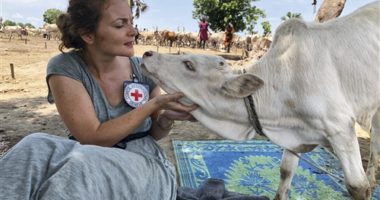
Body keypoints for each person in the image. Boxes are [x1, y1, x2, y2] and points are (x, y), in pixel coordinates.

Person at [0, 0, 197, 199]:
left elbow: (155, 134)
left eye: (131, 22)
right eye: (120, 25)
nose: (134, 31)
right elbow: (92, 137)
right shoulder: (66, 68)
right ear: (88, 34)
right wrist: (153, 105)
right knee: (33, 145)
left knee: (79, 169)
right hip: (89, 154)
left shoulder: (142, 68)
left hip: (144, 163)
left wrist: (165, 119)